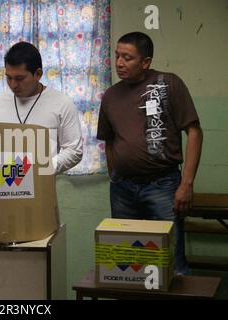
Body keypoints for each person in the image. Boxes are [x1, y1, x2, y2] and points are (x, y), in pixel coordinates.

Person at [97, 32, 203, 275]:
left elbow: (195, 132)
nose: (119, 63)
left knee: (171, 263)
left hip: (163, 186)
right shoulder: (111, 96)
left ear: (145, 62)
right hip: (123, 188)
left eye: (127, 57)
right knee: (128, 266)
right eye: (117, 56)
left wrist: (186, 184)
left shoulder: (169, 84)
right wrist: (114, 174)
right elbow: (109, 139)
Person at [0, 41, 83, 173]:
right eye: (8, 78)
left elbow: (74, 150)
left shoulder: (62, 103)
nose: (13, 85)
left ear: (38, 74)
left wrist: (41, 168)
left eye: (19, 78)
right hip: (1, 185)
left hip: (42, 186)